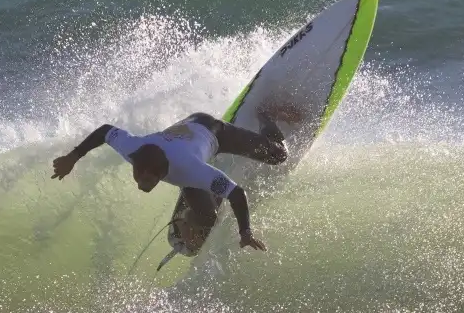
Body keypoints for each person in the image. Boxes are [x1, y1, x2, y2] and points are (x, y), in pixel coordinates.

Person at [51, 106, 298, 253]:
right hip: (185, 131)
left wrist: (245, 232)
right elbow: (105, 131)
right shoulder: (132, 148)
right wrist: (73, 157)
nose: (141, 185)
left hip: (213, 131)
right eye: (139, 177)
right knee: (208, 218)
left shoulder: (189, 168)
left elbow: (237, 194)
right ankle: (189, 214)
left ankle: (264, 114)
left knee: (279, 156)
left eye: (147, 180)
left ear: (162, 171)